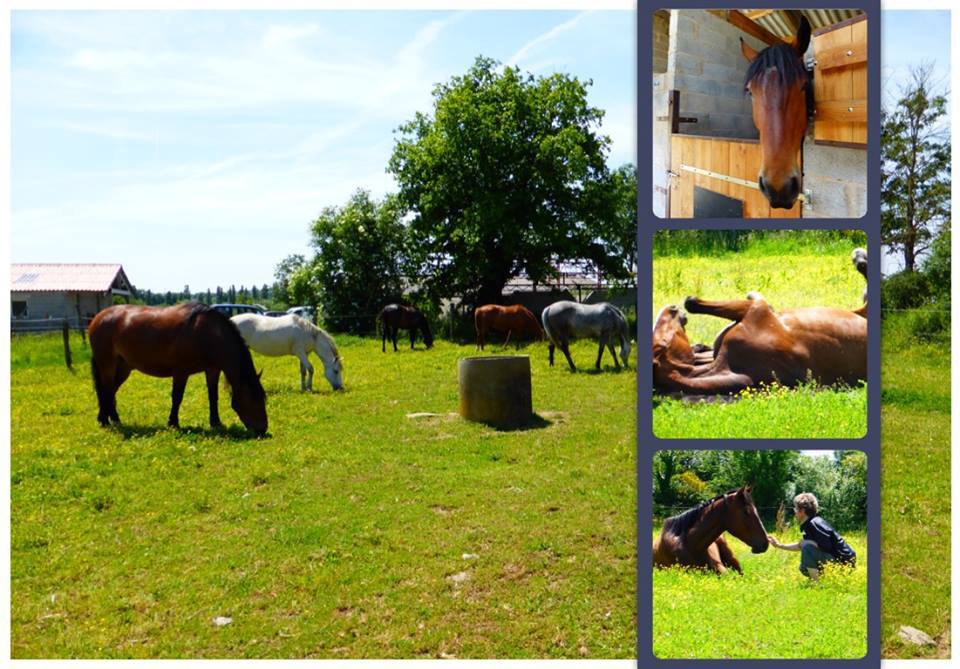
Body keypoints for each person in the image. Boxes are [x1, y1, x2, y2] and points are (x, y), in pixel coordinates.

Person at [767, 492, 856, 580]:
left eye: (795, 509)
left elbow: (826, 546)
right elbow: (801, 545)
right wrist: (779, 545)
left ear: (802, 511)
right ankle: (827, 580)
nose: (794, 512)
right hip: (838, 561)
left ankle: (817, 584)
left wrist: (809, 542)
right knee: (804, 567)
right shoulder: (809, 523)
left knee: (807, 549)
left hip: (844, 563)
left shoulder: (815, 524)